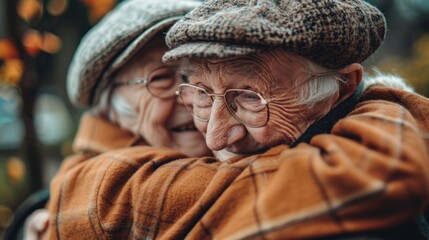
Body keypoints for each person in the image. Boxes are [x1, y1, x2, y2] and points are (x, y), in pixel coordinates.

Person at [44, 0, 429, 239]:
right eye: (167, 82)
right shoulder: (101, 186)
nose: (213, 133)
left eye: (247, 96)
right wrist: (389, 102)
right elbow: (381, 169)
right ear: (110, 110)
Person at [23, 0, 208, 239]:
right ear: (111, 105)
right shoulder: (105, 186)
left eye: (198, 75)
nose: (191, 96)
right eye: (161, 79)